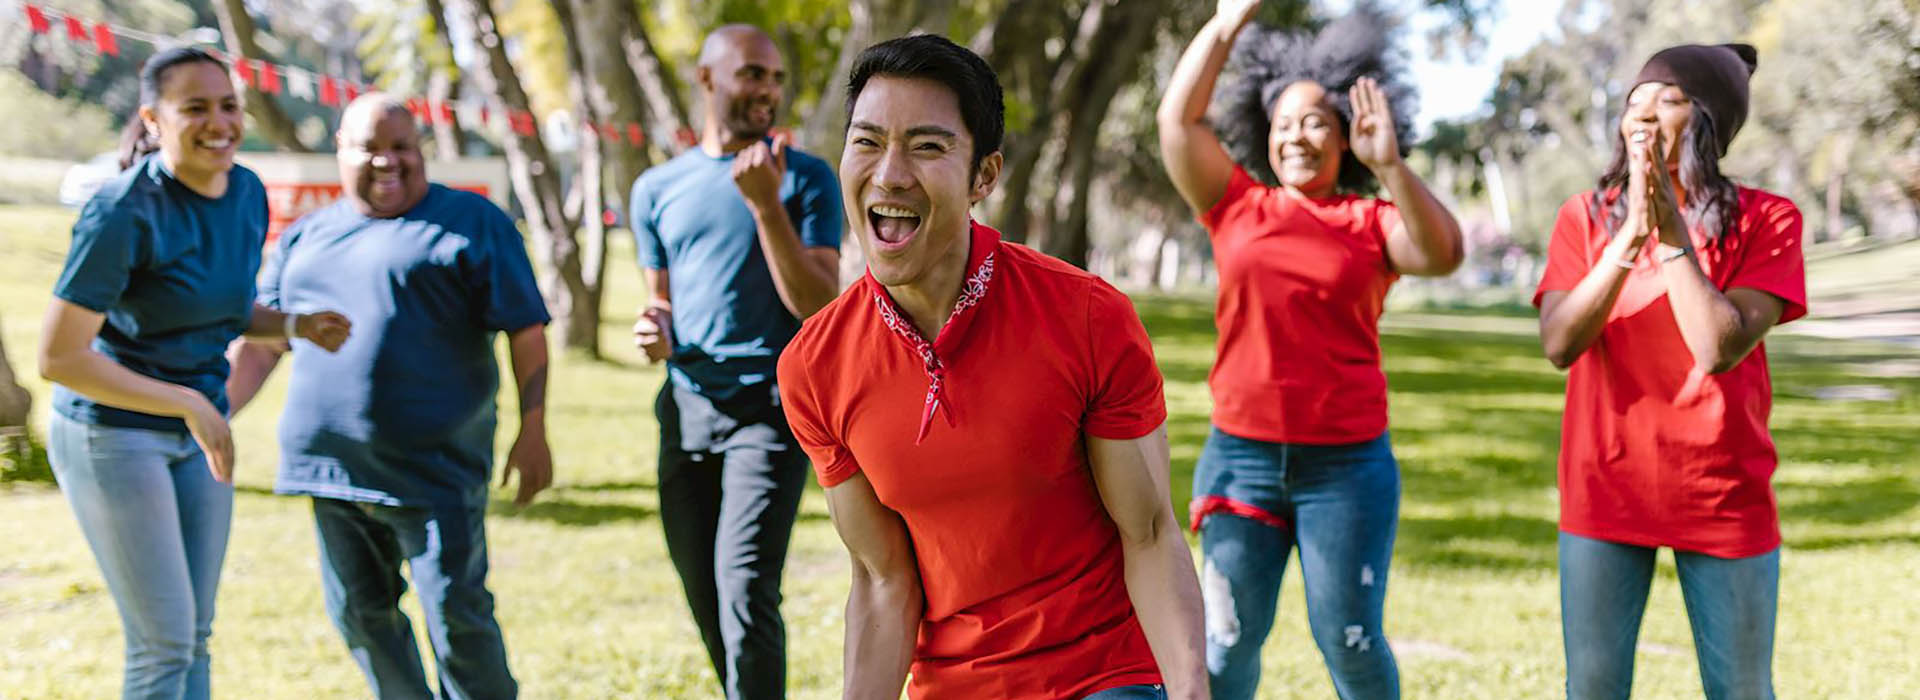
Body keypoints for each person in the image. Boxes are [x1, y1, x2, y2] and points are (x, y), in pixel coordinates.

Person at [777, 34, 1209, 700]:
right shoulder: (815, 365)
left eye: (926, 146)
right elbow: (883, 580)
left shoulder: (1087, 317)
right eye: (867, 142)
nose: (890, 172)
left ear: (984, 176)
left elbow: (1148, 534)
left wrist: (1189, 692)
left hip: (1101, 673)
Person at [1156, 2, 1466, 698]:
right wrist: (1226, 24)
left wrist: (1389, 166)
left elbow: (1444, 253)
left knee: (1351, 642)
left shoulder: (1373, 220)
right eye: (1286, 123)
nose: (1299, 136)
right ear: (1265, 134)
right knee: (1227, 642)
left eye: (1318, 123)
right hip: (1242, 460)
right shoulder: (1235, 205)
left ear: (1345, 137)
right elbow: (1177, 122)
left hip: (1348, 468)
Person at [37, 46, 350, 700]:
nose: (220, 122)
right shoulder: (122, 211)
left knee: (196, 635)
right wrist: (186, 401)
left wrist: (294, 325)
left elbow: (223, 307)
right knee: (164, 643)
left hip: (199, 430)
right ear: (152, 119)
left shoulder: (246, 192)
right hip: (114, 434)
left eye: (229, 105)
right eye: (196, 108)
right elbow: (59, 358)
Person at [225, 94, 553, 700]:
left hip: (436, 471)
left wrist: (533, 429)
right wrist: (212, 416)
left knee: (458, 617)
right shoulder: (306, 237)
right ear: (340, 152)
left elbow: (526, 331)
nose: (387, 161)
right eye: (370, 147)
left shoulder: (475, 224)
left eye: (402, 146)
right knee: (360, 614)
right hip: (330, 471)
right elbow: (266, 344)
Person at [1534, 44, 1802, 700]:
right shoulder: (1584, 218)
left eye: (1670, 98)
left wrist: (1668, 225)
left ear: (1710, 122)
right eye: (1635, 99)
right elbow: (1560, 343)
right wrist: (1630, 233)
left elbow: (1718, 347)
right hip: (1605, 490)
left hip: (1722, 494)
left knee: (1741, 690)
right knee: (1592, 688)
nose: (1644, 111)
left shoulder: (1768, 219)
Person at [626, 24, 843, 700]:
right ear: (708, 79)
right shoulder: (656, 189)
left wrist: (766, 207)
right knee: (704, 590)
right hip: (687, 408)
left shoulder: (804, 180)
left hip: (771, 414)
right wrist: (652, 327)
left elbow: (816, 303)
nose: (768, 91)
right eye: (753, 74)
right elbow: (658, 300)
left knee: (746, 588)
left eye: (776, 79)